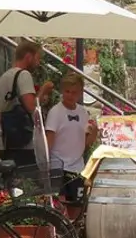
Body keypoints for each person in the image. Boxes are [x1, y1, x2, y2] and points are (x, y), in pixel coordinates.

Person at [45, 74, 97, 220]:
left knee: (76, 209)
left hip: (77, 168)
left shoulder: (83, 112)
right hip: (58, 167)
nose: (70, 95)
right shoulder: (55, 112)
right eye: (67, 91)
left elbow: (85, 143)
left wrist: (95, 132)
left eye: (74, 92)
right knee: (59, 210)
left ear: (80, 93)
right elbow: (48, 141)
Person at [0, 41, 53, 166]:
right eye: (37, 59)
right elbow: (31, 106)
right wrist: (44, 90)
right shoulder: (23, 75)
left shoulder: (4, 77)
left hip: (7, 142)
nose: (38, 64)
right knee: (27, 182)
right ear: (28, 57)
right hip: (24, 144)